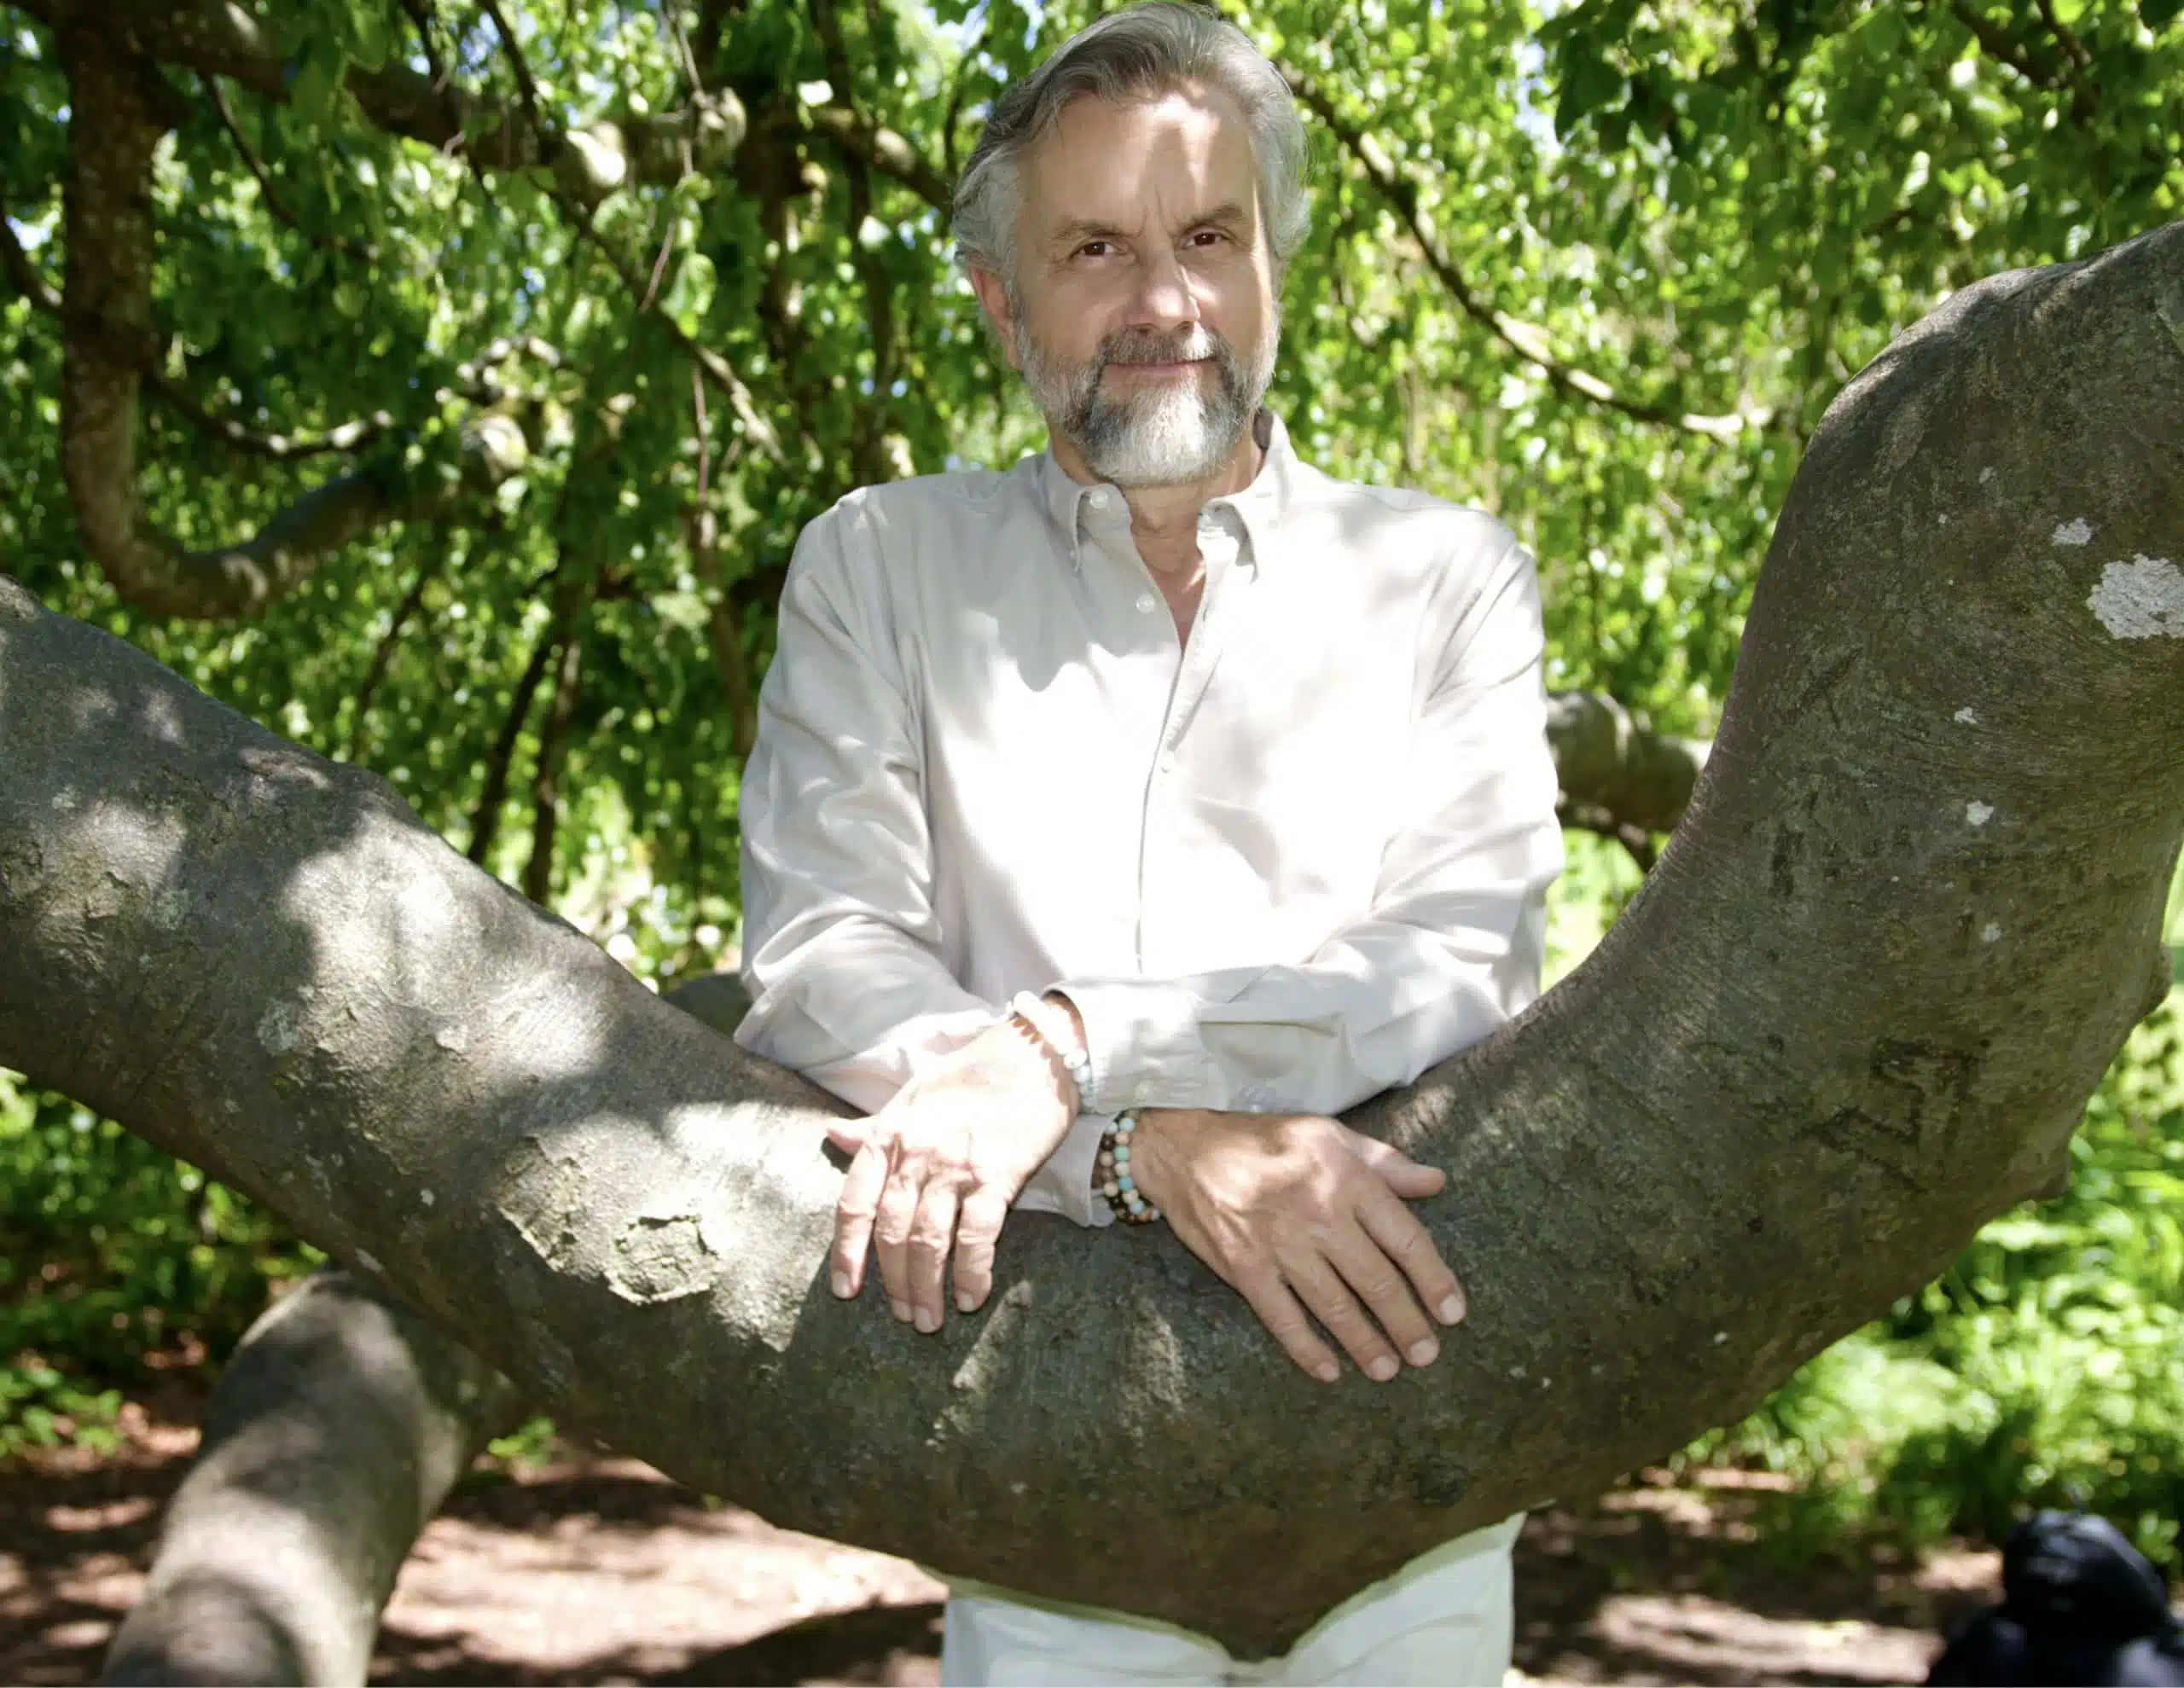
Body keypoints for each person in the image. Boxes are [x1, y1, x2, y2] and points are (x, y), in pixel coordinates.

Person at [735, 3, 1564, 1680]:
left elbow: (1455, 964)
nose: (1164, 301)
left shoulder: (1448, 579)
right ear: (1001, 299)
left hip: (1406, 1455)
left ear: (1272, 269)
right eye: (1095, 248)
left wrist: (1069, 1045)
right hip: (1050, 1475)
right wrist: (1138, 1147)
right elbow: (822, 963)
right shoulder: (879, 568)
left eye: (1207, 237)